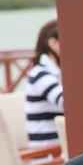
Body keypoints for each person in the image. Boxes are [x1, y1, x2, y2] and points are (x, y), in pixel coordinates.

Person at [25, 19, 63, 148]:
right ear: (53, 43)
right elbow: (68, 103)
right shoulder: (40, 74)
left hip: (57, 150)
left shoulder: (53, 73)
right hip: (48, 154)